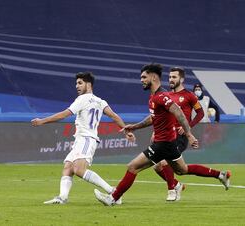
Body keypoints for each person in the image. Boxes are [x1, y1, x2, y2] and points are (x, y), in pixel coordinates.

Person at [94, 63, 231, 206]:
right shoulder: (155, 96)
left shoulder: (161, 96)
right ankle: (220, 175)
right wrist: (134, 127)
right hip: (169, 143)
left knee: (132, 167)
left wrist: (189, 135)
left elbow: (179, 113)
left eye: (144, 77)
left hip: (162, 144)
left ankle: (113, 198)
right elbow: (153, 117)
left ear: (153, 77)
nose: (141, 80)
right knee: (182, 170)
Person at [31, 72, 135, 204]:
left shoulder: (82, 99)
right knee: (68, 167)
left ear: (88, 84)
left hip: (86, 139)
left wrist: (42, 121)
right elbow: (114, 116)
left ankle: (114, 193)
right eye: (76, 83)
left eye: (80, 83)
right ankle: (62, 197)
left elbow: (64, 115)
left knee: (79, 170)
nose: (77, 86)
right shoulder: (100, 101)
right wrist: (126, 131)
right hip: (81, 139)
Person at [153, 67, 204, 201]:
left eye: (174, 77)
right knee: (157, 166)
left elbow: (201, 113)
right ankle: (177, 185)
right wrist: (155, 131)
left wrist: (188, 127)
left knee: (164, 161)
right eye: (169, 77)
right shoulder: (167, 96)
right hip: (166, 134)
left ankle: (172, 191)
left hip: (180, 137)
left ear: (181, 79)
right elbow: (161, 116)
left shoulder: (190, 95)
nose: (171, 79)